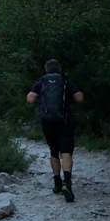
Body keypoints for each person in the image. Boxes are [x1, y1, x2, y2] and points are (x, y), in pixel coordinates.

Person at [26, 59, 85, 203]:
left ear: (46, 69)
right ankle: (68, 183)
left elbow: (30, 99)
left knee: (53, 150)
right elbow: (79, 98)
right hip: (65, 120)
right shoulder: (65, 81)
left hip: (47, 121)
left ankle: (57, 183)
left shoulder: (41, 81)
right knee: (66, 151)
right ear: (59, 69)